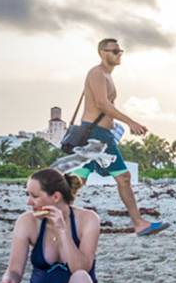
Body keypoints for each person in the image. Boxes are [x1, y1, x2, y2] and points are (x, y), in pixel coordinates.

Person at [68, 38, 169, 236]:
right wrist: (130, 122)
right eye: (114, 51)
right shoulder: (97, 73)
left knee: (78, 179)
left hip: (98, 133)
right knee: (123, 177)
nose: (118, 54)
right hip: (96, 134)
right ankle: (139, 223)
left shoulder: (106, 75)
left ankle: (56, 216)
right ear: (102, 52)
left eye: (120, 51)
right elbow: (102, 104)